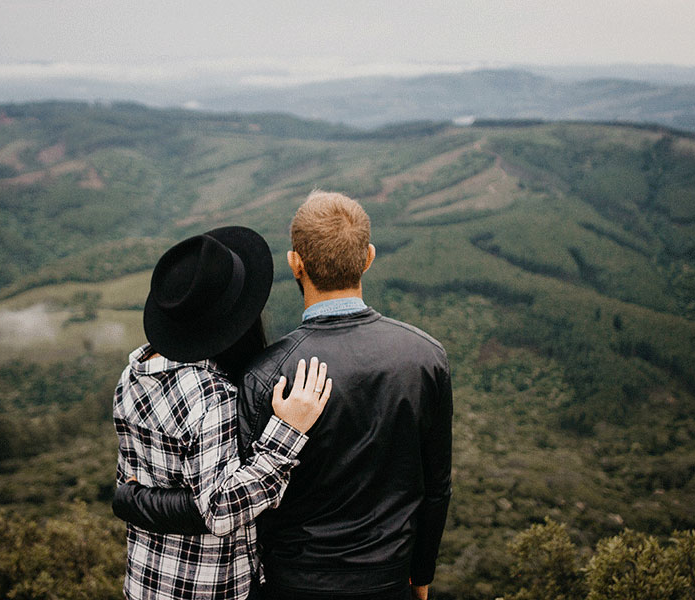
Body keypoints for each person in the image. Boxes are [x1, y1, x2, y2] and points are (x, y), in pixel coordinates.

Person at [115, 192, 453, 600]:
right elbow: (436, 487)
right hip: (389, 581)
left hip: (289, 584)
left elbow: (236, 506)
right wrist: (420, 576)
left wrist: (133, 499)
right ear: (368, 257)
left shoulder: (263, 375)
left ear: (296, 263)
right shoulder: (426, 356)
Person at [113, 225, 332, 600]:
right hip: (206, 586)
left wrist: (132, 500)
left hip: (146, 579)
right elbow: (219, 510)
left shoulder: (135, 370)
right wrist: (287, 433)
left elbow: (135, 482)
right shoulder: (211, 396)